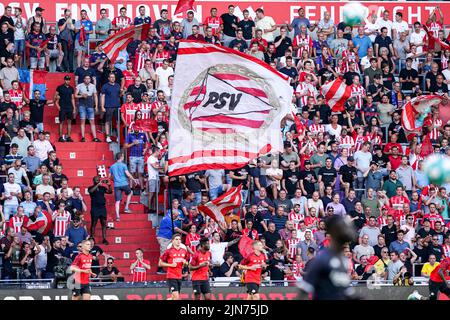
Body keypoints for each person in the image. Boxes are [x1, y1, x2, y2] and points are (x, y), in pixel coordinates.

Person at [298, 215, 357, 300]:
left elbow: (345, 290)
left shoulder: (344, 260)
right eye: (342, 227)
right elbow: (304, 290)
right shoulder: (322, 258)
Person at [109, 152, 138, 221]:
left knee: (117, 201)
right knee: (130, 192)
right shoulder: (123, 165)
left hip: (116, 185)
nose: (123, 157)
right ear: (121, 157)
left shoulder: (112, 166)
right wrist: (133, 179)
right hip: (124, 183)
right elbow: (127, 174)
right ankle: (126, 208)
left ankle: (118, 217)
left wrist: (115, 179)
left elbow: (109, 177)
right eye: (123, 156)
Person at [159, 233, 188, 300]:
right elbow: (160, 263)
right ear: (172, 241)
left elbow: (186, 263)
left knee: (174, 297)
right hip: (171, 276)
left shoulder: (184, 251)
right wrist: (170, 265)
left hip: (179, 276)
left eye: (179, 239)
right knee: (177, 297)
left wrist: (185, 263)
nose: (178, 241)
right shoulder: (168, 251)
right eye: (176, 239)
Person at [88, 176, 112, 245]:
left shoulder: (102, 188)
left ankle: (104, 239)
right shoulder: (90, 187)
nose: (97, 181)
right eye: (96, 180)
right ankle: (92, 238)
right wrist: (97, 185)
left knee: (104, 223)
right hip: (95, 207)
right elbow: (90, 191)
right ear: (93, 181)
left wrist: (109, 185)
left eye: (98, 180)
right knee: (94, 223)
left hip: (102, 207)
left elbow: (110, 192)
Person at [75, 75, 100, 142]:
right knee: (83, 121)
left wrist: (96, 106)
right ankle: (83, 137)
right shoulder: (79, 85)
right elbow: (75, 95)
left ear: (90, 79)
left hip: (90, 103)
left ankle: (95, 137)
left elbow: (95, 96)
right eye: (86, 78)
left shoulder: (93, 86)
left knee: (92, 121)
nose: (87, 80)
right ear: (84, 79)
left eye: (89, 78)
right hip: (82, 104)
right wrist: (82, 95)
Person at [54, 75, 75, 142]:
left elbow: (72, 98)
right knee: (61, 122)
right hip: (62, 107)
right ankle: (60, 137)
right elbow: (55, 97)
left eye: (68, 80)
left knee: (69, 122)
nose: (67, 81)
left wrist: (74, 107)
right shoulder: (60, 87)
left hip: (69, 107)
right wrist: (58, 106)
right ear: (64, 80)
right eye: (66, 80)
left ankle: (68, 136)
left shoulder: (71, 88)